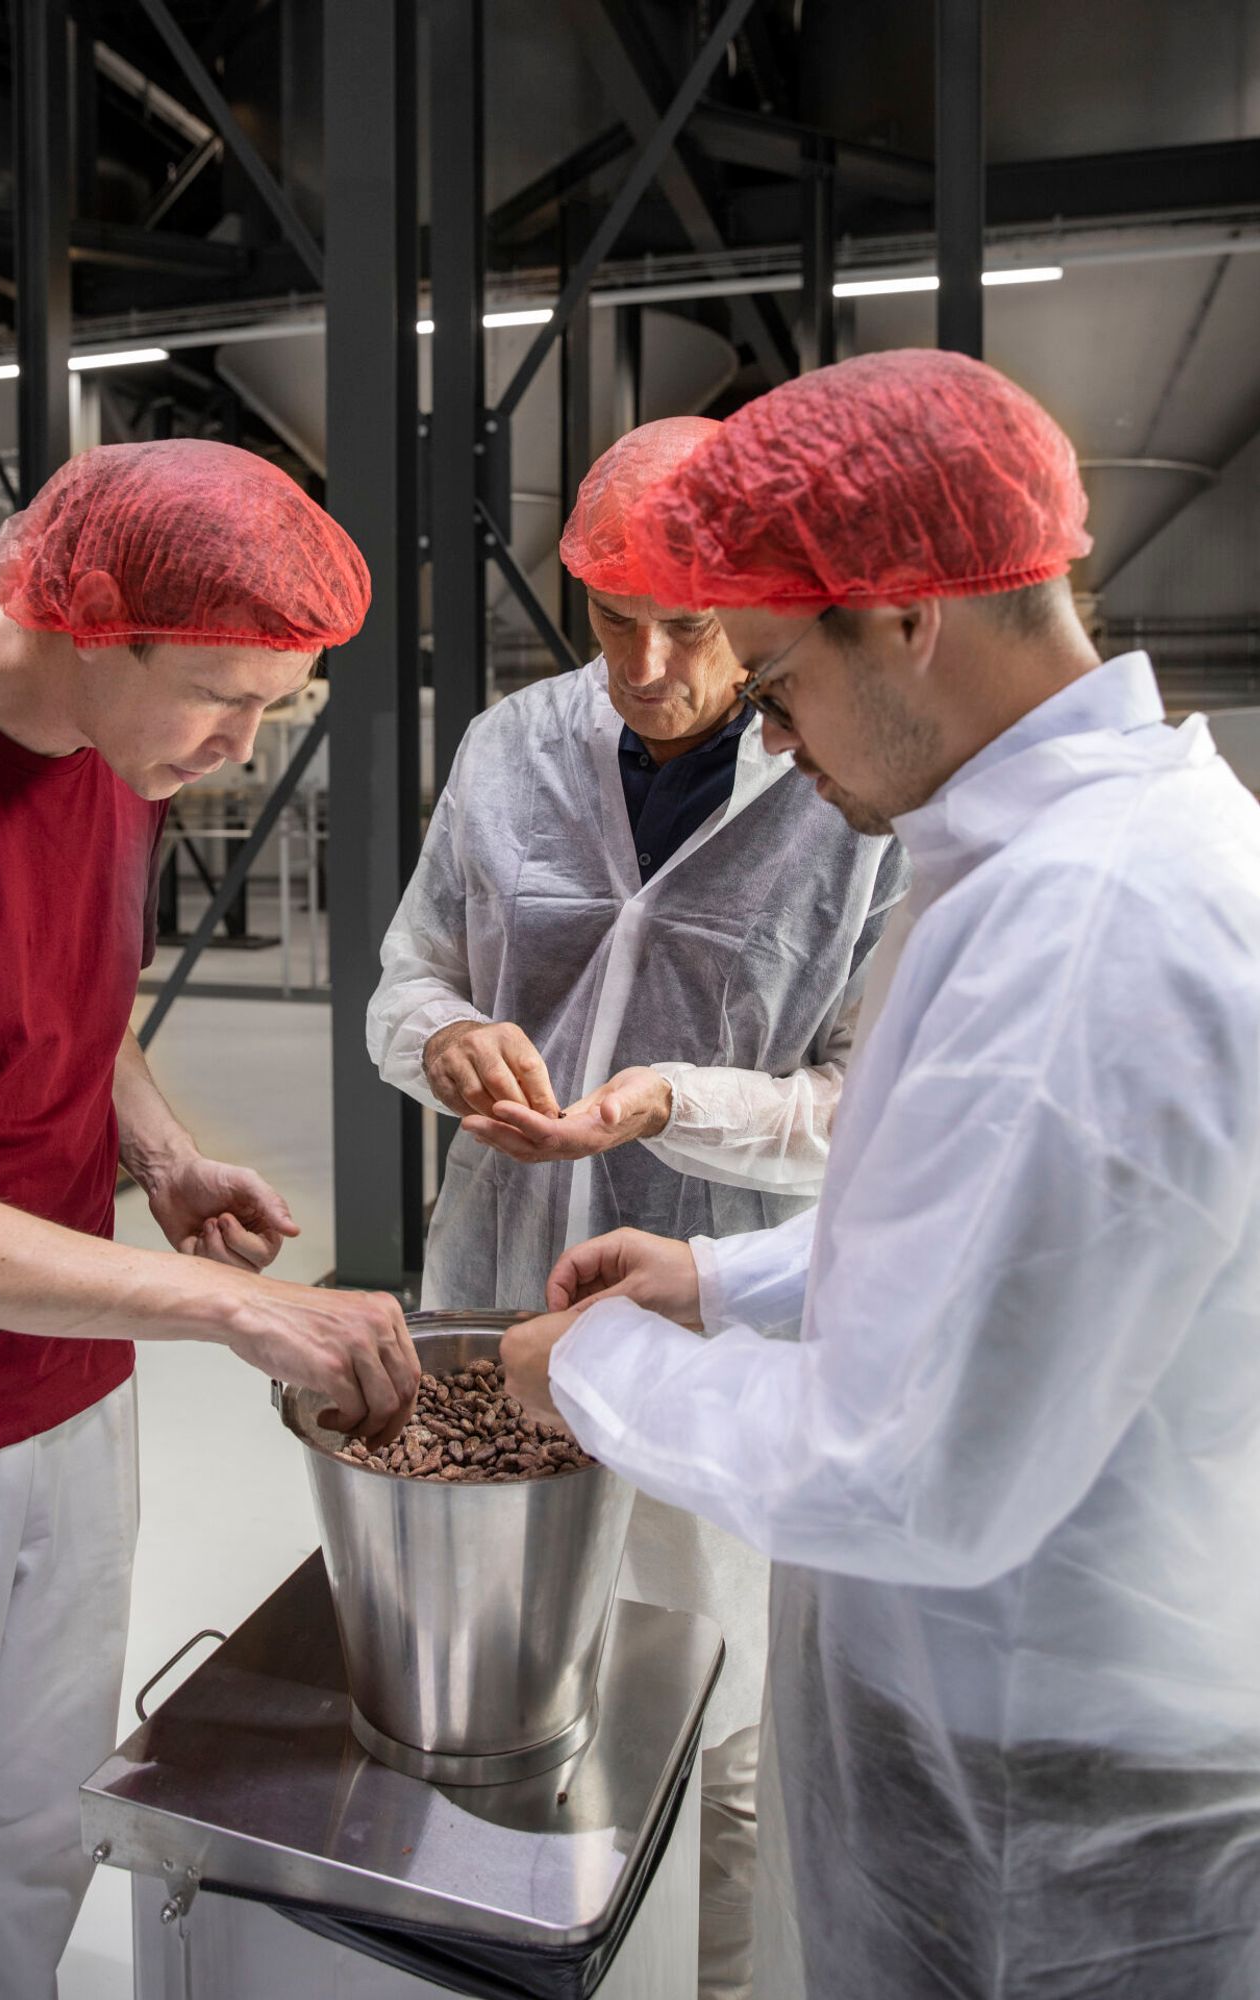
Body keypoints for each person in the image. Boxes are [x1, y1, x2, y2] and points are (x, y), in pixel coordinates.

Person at [502, 349, 1260, 1999]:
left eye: (774, 680)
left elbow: (905, 1469)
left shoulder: (1091, 927)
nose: (771, 732)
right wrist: (716, 1282)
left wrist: (600, 1371)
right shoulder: (1046, 863)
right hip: (1000, 1715)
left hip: (1048, 1790)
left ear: (907, 613)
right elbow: (991, 1241)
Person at [0, 440, 419, 2000]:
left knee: (26, 1845)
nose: (245, 747)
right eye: (220, 697)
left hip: (70, 1390)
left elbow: (62, 984)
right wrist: (232, 1310)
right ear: (80, 623)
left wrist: (162, 1149)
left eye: (276, 705)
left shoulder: (123, 749)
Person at [367, 417, 906, 2000]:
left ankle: (717, 1982)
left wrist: (672, 1101)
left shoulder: (845, 788)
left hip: (705, 1314)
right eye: (614, 619)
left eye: (695, 624)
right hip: (493, 1290)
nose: (651, 664)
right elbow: (409, 977)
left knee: (713, 1718)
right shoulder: (507, 749)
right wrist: (442, 1044)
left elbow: (851, 1117)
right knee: (491, 1692)